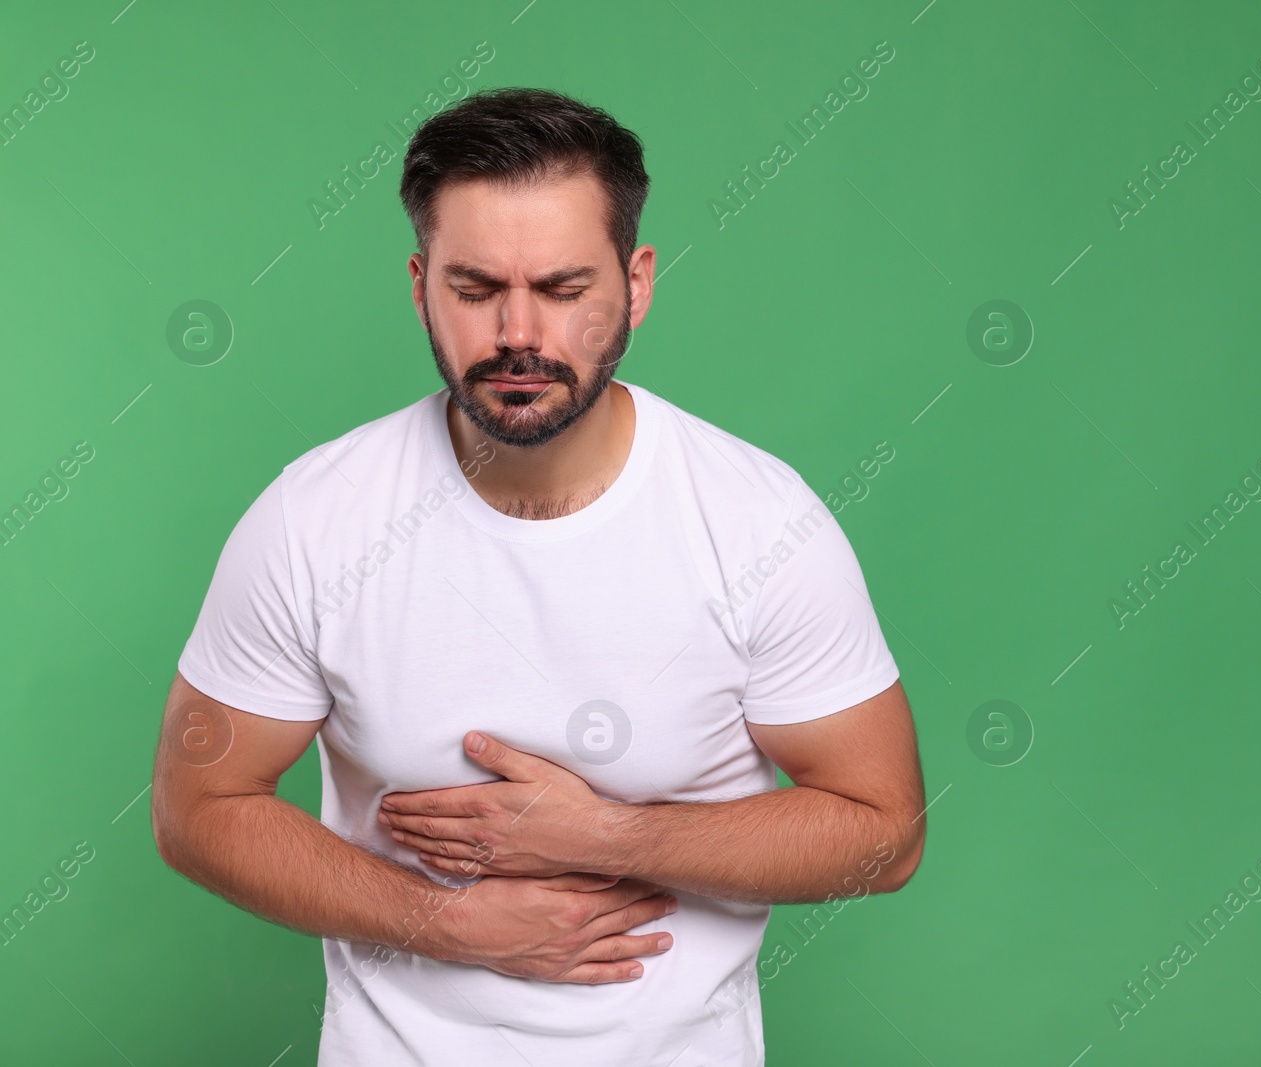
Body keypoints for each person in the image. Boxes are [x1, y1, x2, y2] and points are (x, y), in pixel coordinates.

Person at [151, 87, 926, 1066]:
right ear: (420, 283)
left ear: (637, 283)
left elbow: (883, 830)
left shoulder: (759, 522)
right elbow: (198, 808)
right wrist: (445, 922)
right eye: (475, 290)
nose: (519, 332)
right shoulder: (313, 519)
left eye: (563, 289)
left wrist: (611, 835)